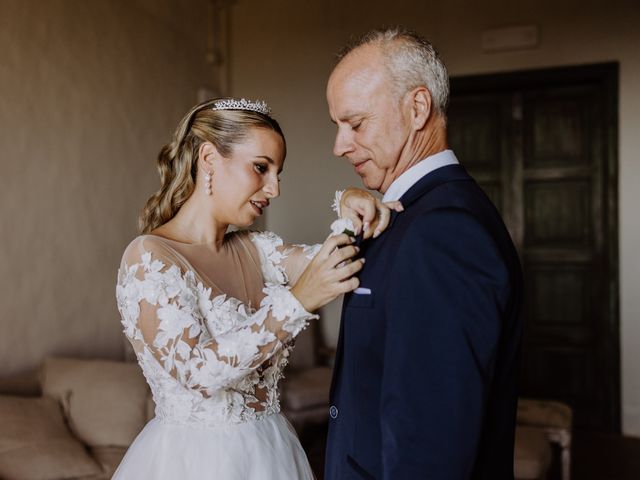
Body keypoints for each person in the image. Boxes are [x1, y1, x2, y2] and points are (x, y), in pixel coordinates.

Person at [113, 97, 398, 479]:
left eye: (278, 173)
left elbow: (341, 260)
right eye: (261, 168)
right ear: (209, 159)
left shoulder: (257, 250)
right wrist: (298, 302)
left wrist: (348, 202)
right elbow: (199, 372)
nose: (274, 189)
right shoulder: (150, 257)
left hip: (272, 453)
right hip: (193, 462)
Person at [324, 28, 524, 479]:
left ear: (417, 108)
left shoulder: (444, 232)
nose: (339, 146)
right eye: (337, 126)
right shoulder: (414, 212)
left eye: (355, 124)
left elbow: (431, 440)